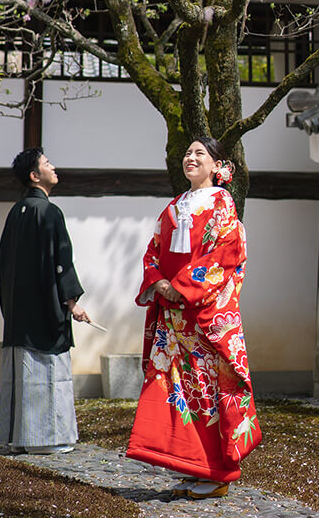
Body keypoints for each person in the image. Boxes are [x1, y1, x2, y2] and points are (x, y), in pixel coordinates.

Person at [126, 136, 262, 500]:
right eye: (188, 153)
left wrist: (182, 287)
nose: (191, 157)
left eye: (200, 153)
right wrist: (160, 283)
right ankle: (191, 465)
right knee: (178, 390)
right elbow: (153, 251)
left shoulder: (222, 204)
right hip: (174, 319)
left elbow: (225, 253)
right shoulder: (174, 207)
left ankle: (218, 473)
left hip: (202, 317)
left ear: (218, 167)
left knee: (207, 391)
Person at [0, 147, 90, 454]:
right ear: (35, 176)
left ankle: (19, 438)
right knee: (47, 373)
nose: (54, 167)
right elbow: (60, 260)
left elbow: (4, 265)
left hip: (19, 311)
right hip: (44, 310)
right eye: (47, 164)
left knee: (22, 375)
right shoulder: (49, 212)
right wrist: (71, 302)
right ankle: (47, 439)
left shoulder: (16, 212)